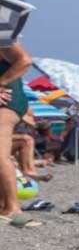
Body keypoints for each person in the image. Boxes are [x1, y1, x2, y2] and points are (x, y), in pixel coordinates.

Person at [0, 39, 31, 221]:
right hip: (7, 102)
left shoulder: (3, 36)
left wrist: (1, 83)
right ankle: (5, 204)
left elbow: (24, 60)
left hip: (7, 102)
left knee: (0, 155)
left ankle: (12, 207)